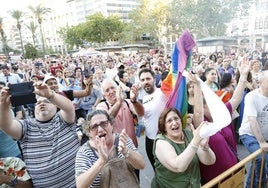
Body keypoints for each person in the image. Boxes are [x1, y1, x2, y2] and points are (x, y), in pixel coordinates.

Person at [0, 81, 80, 187]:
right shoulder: (26, 127)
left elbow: (69, 107)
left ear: (56, 106)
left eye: (46, 101)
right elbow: (6, 125)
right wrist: (3, 105)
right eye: (38, 103)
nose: (41, 103)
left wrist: (50, 94)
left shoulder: (63, 119)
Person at [199, 57, 252, 184]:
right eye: (209, 105)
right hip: (214, 180)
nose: (214, 107)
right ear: (201, 107)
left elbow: (235, 99)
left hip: (233, 172)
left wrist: (243, 76)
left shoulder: (222, 112)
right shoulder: (199, 122)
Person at [75, 110, 145, 188]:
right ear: (89, 132)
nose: (100, 129)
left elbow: (141, 165)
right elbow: (80, 185)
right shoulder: (84, 152)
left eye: (103, 123)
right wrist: (101, 161)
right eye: (94, 127)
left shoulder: (122, 140)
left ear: (111, 125)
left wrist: (126, 152)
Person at [151, 108, 216, 188]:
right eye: (169, 121)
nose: (174, 123)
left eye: (176, 118)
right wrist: (195, 141)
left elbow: (210, 161)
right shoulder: (161, 142)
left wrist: (205, 147)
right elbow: (178, 167)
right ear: (164, 127)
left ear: (181, 121)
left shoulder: (188, 134)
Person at [239, 70, 268, 188]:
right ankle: (258, 185)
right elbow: (252, 121)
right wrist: (261, 142)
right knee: (261, 158)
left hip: (265, 135)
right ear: (260, 82)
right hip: (249, 134)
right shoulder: (252, 96)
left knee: (258, 161)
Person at [96, 78, 144, 148]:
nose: (111, 91)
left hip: (132, 146)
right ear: (104, 95)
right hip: (115, 150)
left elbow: (141, 113)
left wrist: (134, 100)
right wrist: (118, 102)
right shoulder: (101, 106)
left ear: (118, 88)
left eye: (112, 88)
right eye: (107, 90)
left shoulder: (128, 102)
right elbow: (106, 120)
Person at [138, 68, 168, 170]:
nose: (145, 82)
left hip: (165, 140)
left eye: (148, 79)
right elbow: (142, 115)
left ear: (154, 79)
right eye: (142, 80)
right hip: (150, 141)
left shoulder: (163, 92)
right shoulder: (144, 99)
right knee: (157, 170)